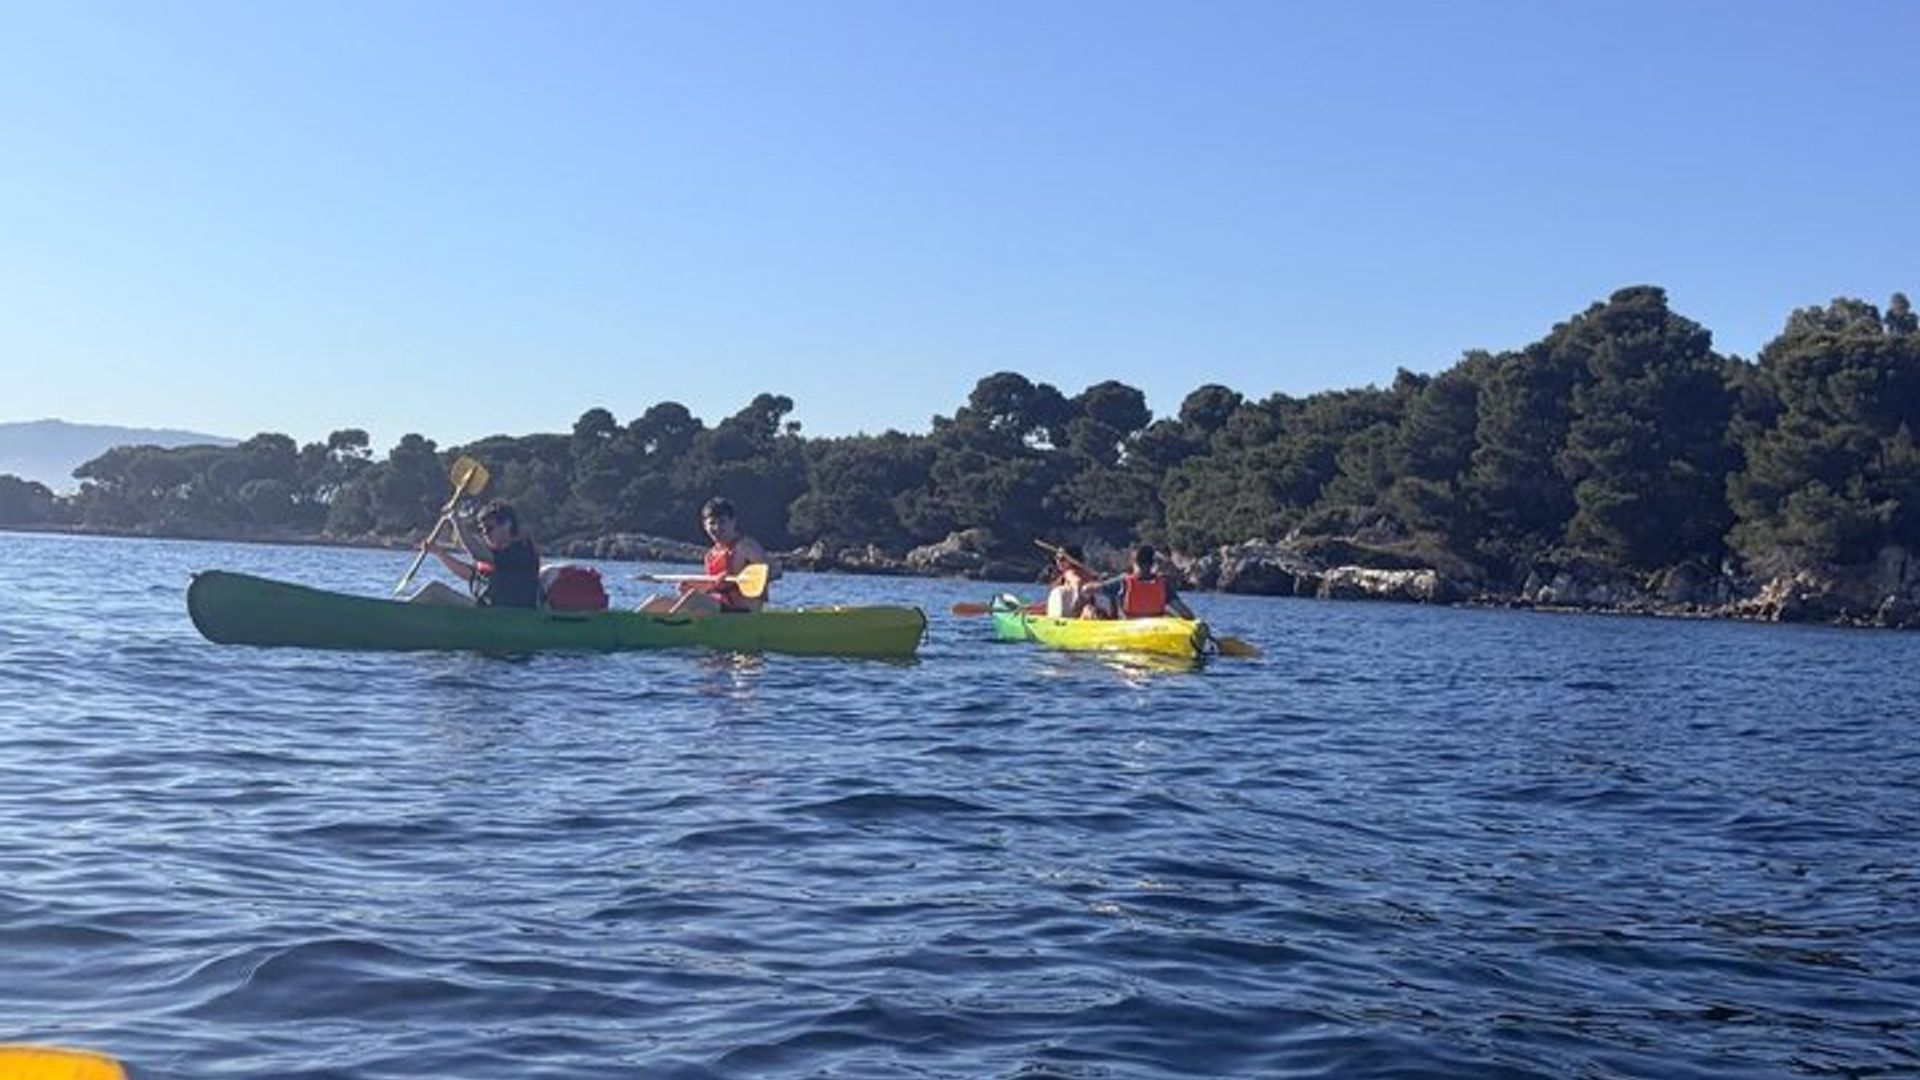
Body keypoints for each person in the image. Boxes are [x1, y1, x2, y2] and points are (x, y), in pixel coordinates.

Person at [638, 497, 781, 614]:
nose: (717, 528)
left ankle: (665, 626)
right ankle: (631, 625)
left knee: (693, 598)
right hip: (719, 606)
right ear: (705, 526)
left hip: (744, 612)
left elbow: (775, 571)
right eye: (712, 523)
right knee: (657, 601)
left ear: (733, 522)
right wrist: (692, 586)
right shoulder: (711, 555)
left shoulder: (746, 546)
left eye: (722, 522)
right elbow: (713, 587)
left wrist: (736, 580)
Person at [412, 500, 541, 608]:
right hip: (486, 611)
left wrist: (456, 520)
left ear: (507, 524)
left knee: (434, 592)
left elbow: (478, 554)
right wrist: (439, 552)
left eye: (489, 528)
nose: (485, 534)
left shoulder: (521, 551)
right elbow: (468, 573)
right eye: (482, 530)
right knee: (434, 589)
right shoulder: (495, 555)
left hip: (508, 616)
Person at [1096, 544, 1195, 620]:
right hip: (1155, 633)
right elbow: (1187, 615)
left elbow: (1087, 590)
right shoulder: (1163, 585)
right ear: (1152, 564)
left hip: (1129, 631)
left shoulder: (1123, 581)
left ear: (1134, 562)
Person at [1045, 543, 1104, 619]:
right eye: (1057, 558)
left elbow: (1077, 582)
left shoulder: (1070, 573)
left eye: (1062, 559)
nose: (1058, 561)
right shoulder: (1085, 574)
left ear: (1072, 560)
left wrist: (1076, 598)